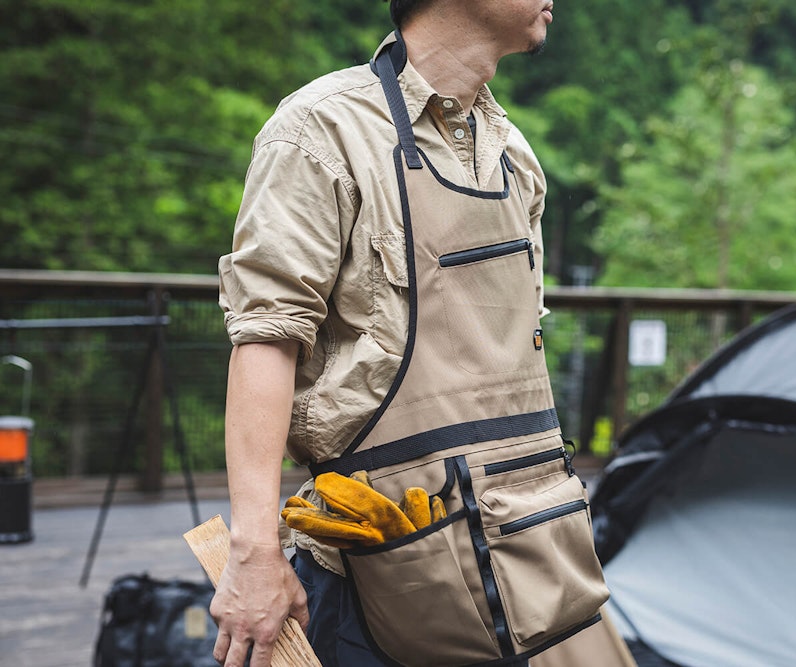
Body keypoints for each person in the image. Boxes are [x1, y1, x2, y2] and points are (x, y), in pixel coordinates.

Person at [211, 1, 606, 666]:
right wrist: (255, 551)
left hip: (520, 562)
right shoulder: (321, 129)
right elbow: (267, 335)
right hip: (375, 573)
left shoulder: (514, 155)